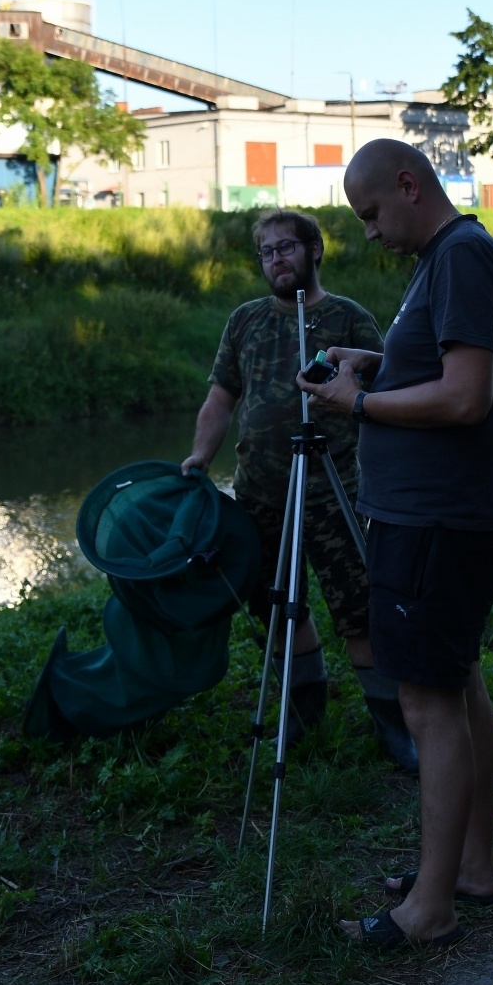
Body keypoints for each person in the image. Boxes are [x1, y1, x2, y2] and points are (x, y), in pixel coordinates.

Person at [299, 139, 493, 949]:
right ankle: (469, 867)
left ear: (408, 184)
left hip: (436, 521)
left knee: (428, 703)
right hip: (442, 519)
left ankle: (430, 908)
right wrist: (379, 362)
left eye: (370, 214)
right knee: (456, 683)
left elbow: (467, 396)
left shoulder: (461, 257)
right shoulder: (447, 260)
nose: (367, 233)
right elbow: (438, 367)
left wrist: (358, 404)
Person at [181, 209, 416, 773]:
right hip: (262, 494)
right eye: (267, 251)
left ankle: (393, 723)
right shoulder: (245, 321)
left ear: (315, 251)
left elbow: (389, 385)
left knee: (358, 610)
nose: (277, 259)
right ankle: (306, 709)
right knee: (276, 606)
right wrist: (198, 457)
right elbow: (221, 399)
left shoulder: (348, 317)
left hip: (336, 491)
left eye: (287, 247)